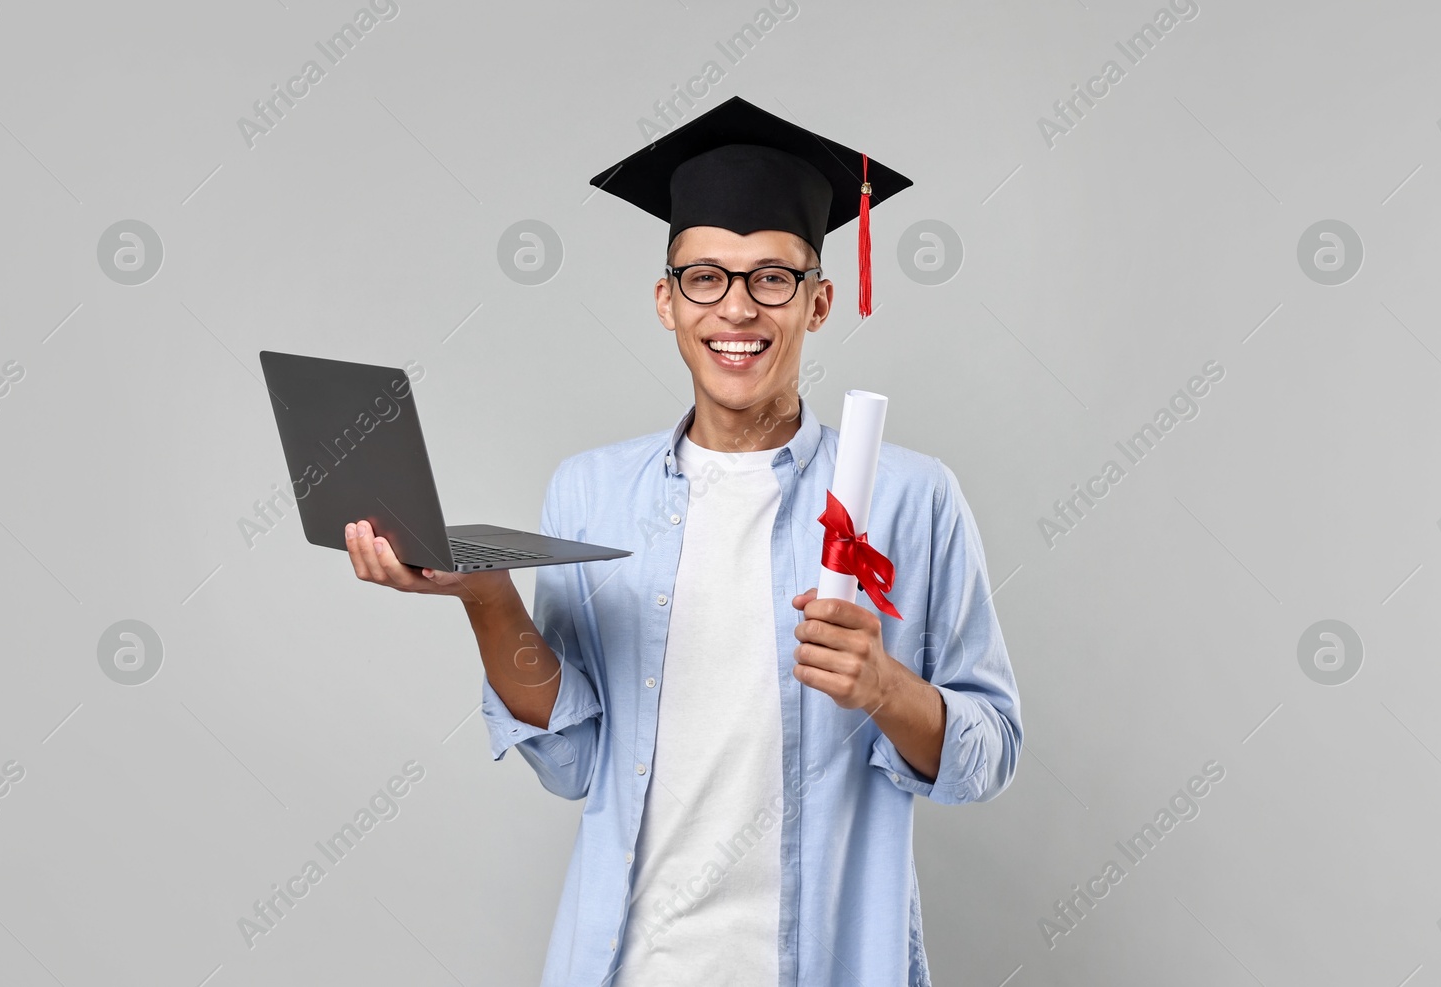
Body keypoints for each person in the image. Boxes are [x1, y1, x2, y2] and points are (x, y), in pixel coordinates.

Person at [341, 95, 1022, 986]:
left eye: (771, 278)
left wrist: (887, 686)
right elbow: (576, 761)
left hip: (828, 962)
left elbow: (990, 751)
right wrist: (487, 597)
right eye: (706, 276)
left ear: (818, 303)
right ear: (667, 300)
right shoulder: (589, 492)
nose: (736, 309)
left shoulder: (912, 498)